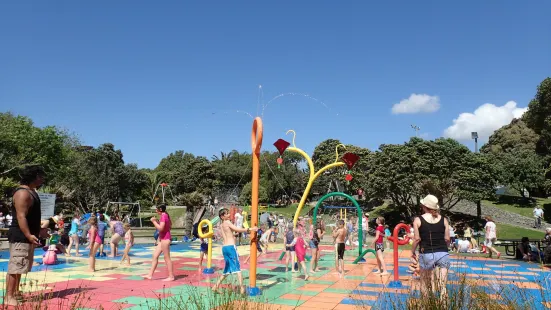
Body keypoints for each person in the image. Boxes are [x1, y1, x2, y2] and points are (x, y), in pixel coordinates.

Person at [6, 165, 46, 306]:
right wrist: (29, 234)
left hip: (28, 236)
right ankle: (8, 296)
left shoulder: (32, 192)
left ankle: (16, 292)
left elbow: (32, 216)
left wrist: (39, 230)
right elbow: (21, 216)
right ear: (33, 176)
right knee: (15, 265)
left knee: (22, 265)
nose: (42, 179)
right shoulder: (23, 193)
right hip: (20, 235)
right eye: (40, 176)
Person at [411, 194, 451, 299]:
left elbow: (417, 239)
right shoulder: (444, 220)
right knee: (443, 287)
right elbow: (447, 239)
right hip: (443, 253)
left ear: (424, 206)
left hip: (427, 253)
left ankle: (426, 304)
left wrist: (412, 252)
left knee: (424, 284)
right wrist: (444, 249)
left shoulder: (418, 220)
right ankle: (443, 304)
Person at [213, 208, 258, 295]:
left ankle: (216, 286)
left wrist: (234, 234)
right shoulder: (227, 222)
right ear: (223, 216)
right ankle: (242, 289)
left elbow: (227, 234)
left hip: (225, 248)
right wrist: (251, 229)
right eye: (227, 213)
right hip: (231, 247)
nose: (229, 214)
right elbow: (237, 229)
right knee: (237, 268)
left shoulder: (221, 225)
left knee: (227, 269)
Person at [144, 205, 175, 281]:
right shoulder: (165, 215)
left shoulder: (163, 216)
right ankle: (150, 275)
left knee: (167, 258)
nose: (156, 211)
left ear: (160, 210)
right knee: (155, 256)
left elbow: (161, 229)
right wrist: (157, 222)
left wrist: (154, 221)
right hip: (162, 240)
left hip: (165, 239)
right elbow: (167, 227)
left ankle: (171, 276)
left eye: (157, 210)